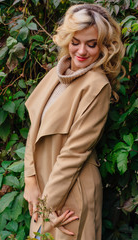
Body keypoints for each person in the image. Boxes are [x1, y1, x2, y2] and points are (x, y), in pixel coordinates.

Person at [24, 3, 124, 240]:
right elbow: (34, 129)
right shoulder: (56, 75)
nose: (81, 51)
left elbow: (74, 153)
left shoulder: (97, 85)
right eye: (75, 41)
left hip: (70, 191)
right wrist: (30, 181)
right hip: (44, 189)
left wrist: (47, 209)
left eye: (92, 44)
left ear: (104, 48)